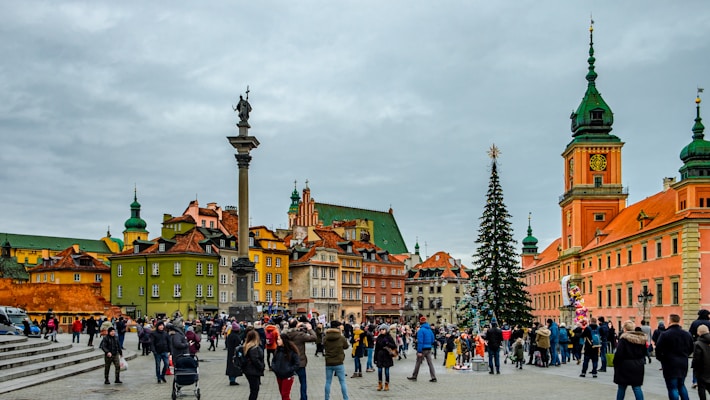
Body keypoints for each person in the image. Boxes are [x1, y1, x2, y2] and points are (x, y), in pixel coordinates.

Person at [656, 314, 694, 400]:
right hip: (683, 363)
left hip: (669, 364)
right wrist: (684, 355)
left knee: (672, 387)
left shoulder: (665, 334)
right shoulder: (687, 334)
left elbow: (658, 349)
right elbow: (691, 348)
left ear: (670, 321)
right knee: (681, 385)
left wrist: (662, 359)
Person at [284, 319, 317, 400]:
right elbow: (314, 337)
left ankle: (285, 397)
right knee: (303, 382)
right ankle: (303, 398)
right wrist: (309, 329)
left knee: (286, 381)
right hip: (300, 362)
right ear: (296, 325)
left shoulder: (286, 335)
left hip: (288, 361)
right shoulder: (300, 335)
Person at [613, 321, 647, 400]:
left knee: (621, 387)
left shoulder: (623, 339)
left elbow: (619, 354)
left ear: (625, 328)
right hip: (638, 365)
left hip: (624, 365)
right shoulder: (641, 339)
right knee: (637, 387)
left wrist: (615, 363)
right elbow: (644, 352)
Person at [323, 320, 350, 400]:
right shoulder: (341, 337)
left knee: (328, 381)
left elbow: (323, 345)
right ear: (338, 327)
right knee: (342, 382)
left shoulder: (326, 337)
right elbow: (346, 346)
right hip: (339, 362)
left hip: (329, 362)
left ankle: (326, 398)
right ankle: (346, 398)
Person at [407, 316, 437, 382]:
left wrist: (419, 351)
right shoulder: (430, 330)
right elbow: (433, 339)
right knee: (430, 363)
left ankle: (414, 376)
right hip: (429, 348)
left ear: (420, 322)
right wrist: (429, 344)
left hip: (423, 349)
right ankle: (433, 377)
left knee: (418, 362)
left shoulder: (421, 330)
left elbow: (420, 341)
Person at [272, 333, 301, 400]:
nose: (277, 341)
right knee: (282, 394)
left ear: (284, 340)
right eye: (277, 339)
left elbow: (297, 364)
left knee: (285, 395)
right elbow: (273, 361)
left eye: (279, 339)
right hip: (279, 375)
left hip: (287, 376)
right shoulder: (278, 350)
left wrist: (289, 370)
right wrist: (274, 368)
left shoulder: (292, 351)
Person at [243, 329, 266, 400]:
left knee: (253, 390)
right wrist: (261, 366)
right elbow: (255, 360)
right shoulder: (254, 348)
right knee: (254, 390)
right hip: (253, 371)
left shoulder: (246, 346)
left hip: (249, 370)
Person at [374, 324, 396, 391]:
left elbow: (394, 346)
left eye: (383, 329)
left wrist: (387, 343)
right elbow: (376, 348)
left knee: (387, 371)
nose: (382, 331)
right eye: (380, 329)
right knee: (379, 370)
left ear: (386, 330)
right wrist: (375, 358)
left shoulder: (389, 337)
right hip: (380, 355)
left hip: (387, 355)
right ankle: (380, 384)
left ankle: (386, 384)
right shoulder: (379, 337)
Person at [693, 325, 710, 400]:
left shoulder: (698, 344)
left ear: (698, 333)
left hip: (702, 370)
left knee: (701, 389)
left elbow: (697, 359)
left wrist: (695, 368)